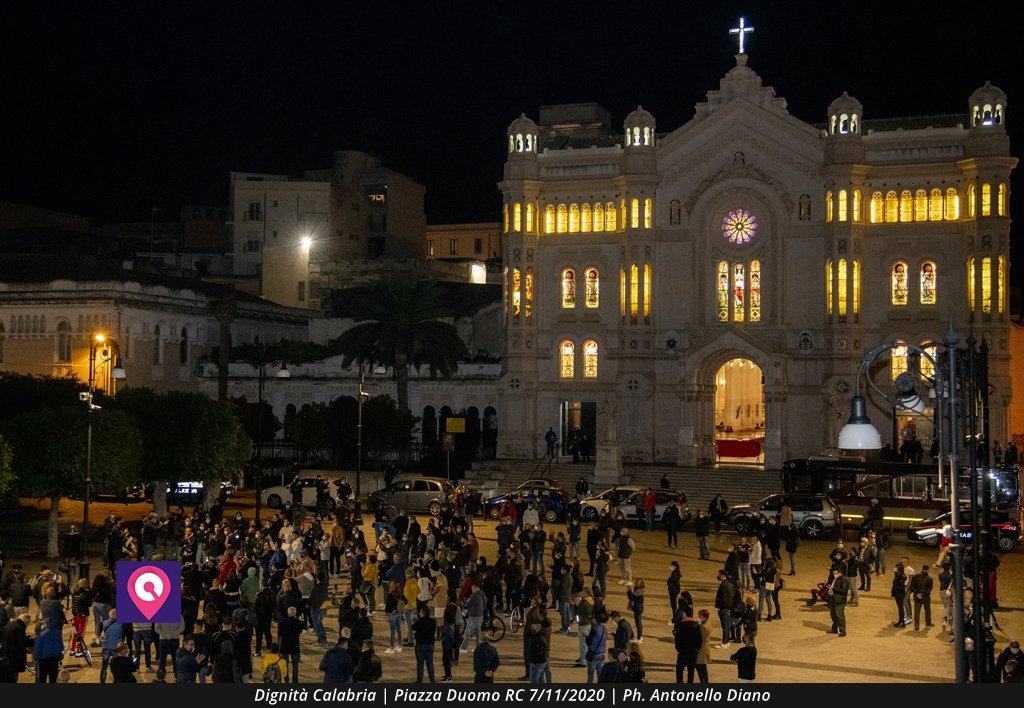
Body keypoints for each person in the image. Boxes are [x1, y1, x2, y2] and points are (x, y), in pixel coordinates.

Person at [673, 606, 702, 683]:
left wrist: (678, 648)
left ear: (684, 614)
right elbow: (700, 640)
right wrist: (696, 649)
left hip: (683, 651)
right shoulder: (696, 625)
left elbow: (677, 639)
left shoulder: (680, 625)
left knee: (679, 670)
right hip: (693, 652)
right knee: (691, 670)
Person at [277, 605, 304, 683]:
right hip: (295, 645)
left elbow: (279, 633)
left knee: (285, 665)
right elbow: (300, 631)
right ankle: (295, 681)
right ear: (295, 613)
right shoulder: (298, 623)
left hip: (285, 646)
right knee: (295, 665)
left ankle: (286, 680)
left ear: (288, 613)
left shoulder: (282, 622)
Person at [0, 613, 29, 683]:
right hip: (13, 658)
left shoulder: (12, 625)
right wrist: (31, 641)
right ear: (25, 622)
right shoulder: (19, 628)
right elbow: (21, 643)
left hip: (6, 656)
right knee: (13, 677)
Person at [33, 618, 64, 683]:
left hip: (43, 660)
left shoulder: (41, 634)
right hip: (54, 660)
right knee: (53, 679)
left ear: (45, 624)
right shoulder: (57, 632)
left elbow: (37, 648)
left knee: (42, 679)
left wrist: (36, 658)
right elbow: (61, 647)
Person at [412, 606, 437, 684]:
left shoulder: (419, 622)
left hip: (421, 644)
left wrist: (416, 620)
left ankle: (419, 680)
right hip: (430, 644)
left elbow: (413, 627)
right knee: (430, 663)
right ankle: (432, 680)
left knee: (420, 664)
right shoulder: (433, 622)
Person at [826, 567, 851, 637]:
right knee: (833, 615)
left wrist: (833, 588)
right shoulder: (835, 579)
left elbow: (843, 591)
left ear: (840, 573)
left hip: (840, 601)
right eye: (833, 573)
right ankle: (834, 629)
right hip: (833, 599)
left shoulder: (845, 580)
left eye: (836, 573)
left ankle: (842, 631)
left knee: (839, 616)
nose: (834, 574)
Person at [909, 564, 934, 631]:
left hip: (917, 597)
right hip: (926, 597)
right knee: (927, 610)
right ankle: (928, 623)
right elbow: (930, 588)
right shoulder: (930, 578)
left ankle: (917, 624)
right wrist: (922, 594)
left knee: (917, 611)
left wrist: (917, 594)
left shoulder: (915, 576)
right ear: (927, 570)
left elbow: (912, 586)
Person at [585, 613, 608, 683]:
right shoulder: (605, 628)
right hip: (602, 653)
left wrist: (586, 636)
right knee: (600, 673)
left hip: (594, 653)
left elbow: (588, 642)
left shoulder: (594, 629)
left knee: (590, 673)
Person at [891, 562, 907, 628]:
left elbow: (898, 585)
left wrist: (895, 592)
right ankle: (901, 621)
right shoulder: (899, 575)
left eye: (896, 567)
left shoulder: (900, 576)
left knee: (900, 608)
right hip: (898, 593)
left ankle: (901, 622)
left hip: (899, 593)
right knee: (900, 608)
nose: (894, 569)